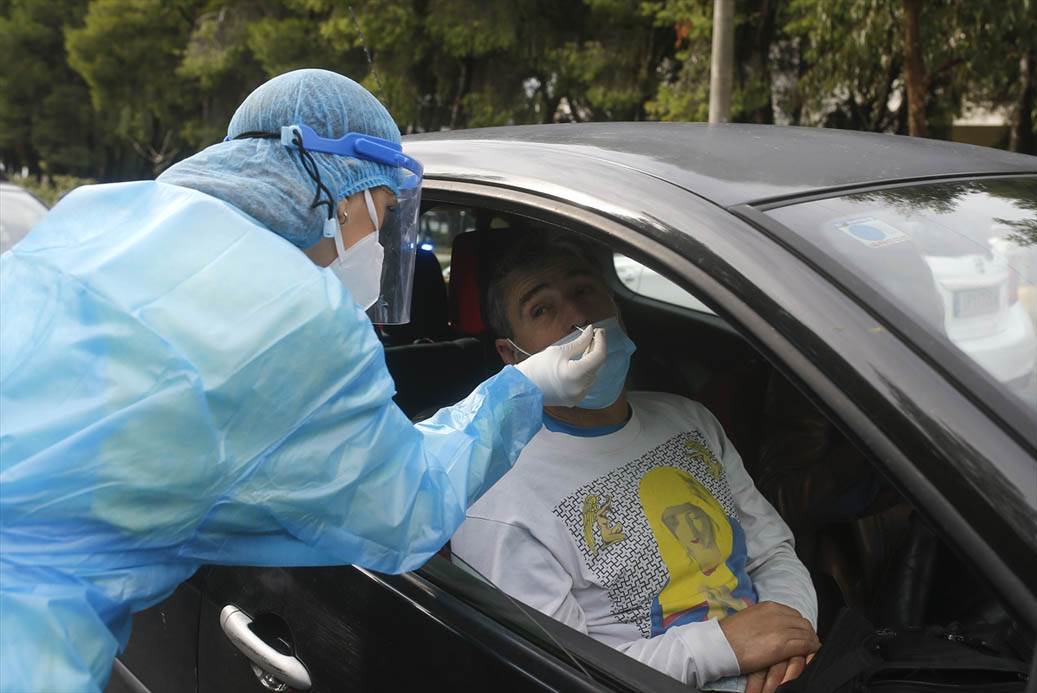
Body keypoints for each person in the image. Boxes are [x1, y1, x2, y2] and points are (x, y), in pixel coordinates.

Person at [0, 69, 605, 693]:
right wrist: (526, 388)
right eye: (388, 213)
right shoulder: (292, 315)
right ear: (344, 188)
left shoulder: (95, 215)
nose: (383, 241)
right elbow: (408, 511)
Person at [451, 230, 819, 693]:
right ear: (511, 356)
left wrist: (788, 633)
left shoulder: (687, 418)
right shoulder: (496, 497)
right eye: (541, 309)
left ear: (618, 310)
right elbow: (563, 672)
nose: (578, 317)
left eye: (584, 290)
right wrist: (725, 646)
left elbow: (773, 551)